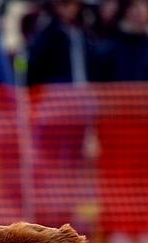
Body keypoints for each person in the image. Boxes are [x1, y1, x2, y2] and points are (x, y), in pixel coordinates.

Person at [96, 0, 148, 243]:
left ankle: (143, 228)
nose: (140, 13)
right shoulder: (109, 47)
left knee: (144, 176)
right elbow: (101, 86)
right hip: (116, 124)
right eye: (135, 7)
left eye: (144, 8)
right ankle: (118, 228)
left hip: (147, 123)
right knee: (118, 176)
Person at [26, 0, 97, 228]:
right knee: (52, 162)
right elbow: (34, 67)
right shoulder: (47, 31)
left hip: (80, 105)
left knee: (72, 164)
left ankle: (67, 213)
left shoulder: (83, 32)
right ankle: (50, 214)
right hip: (54, 106)